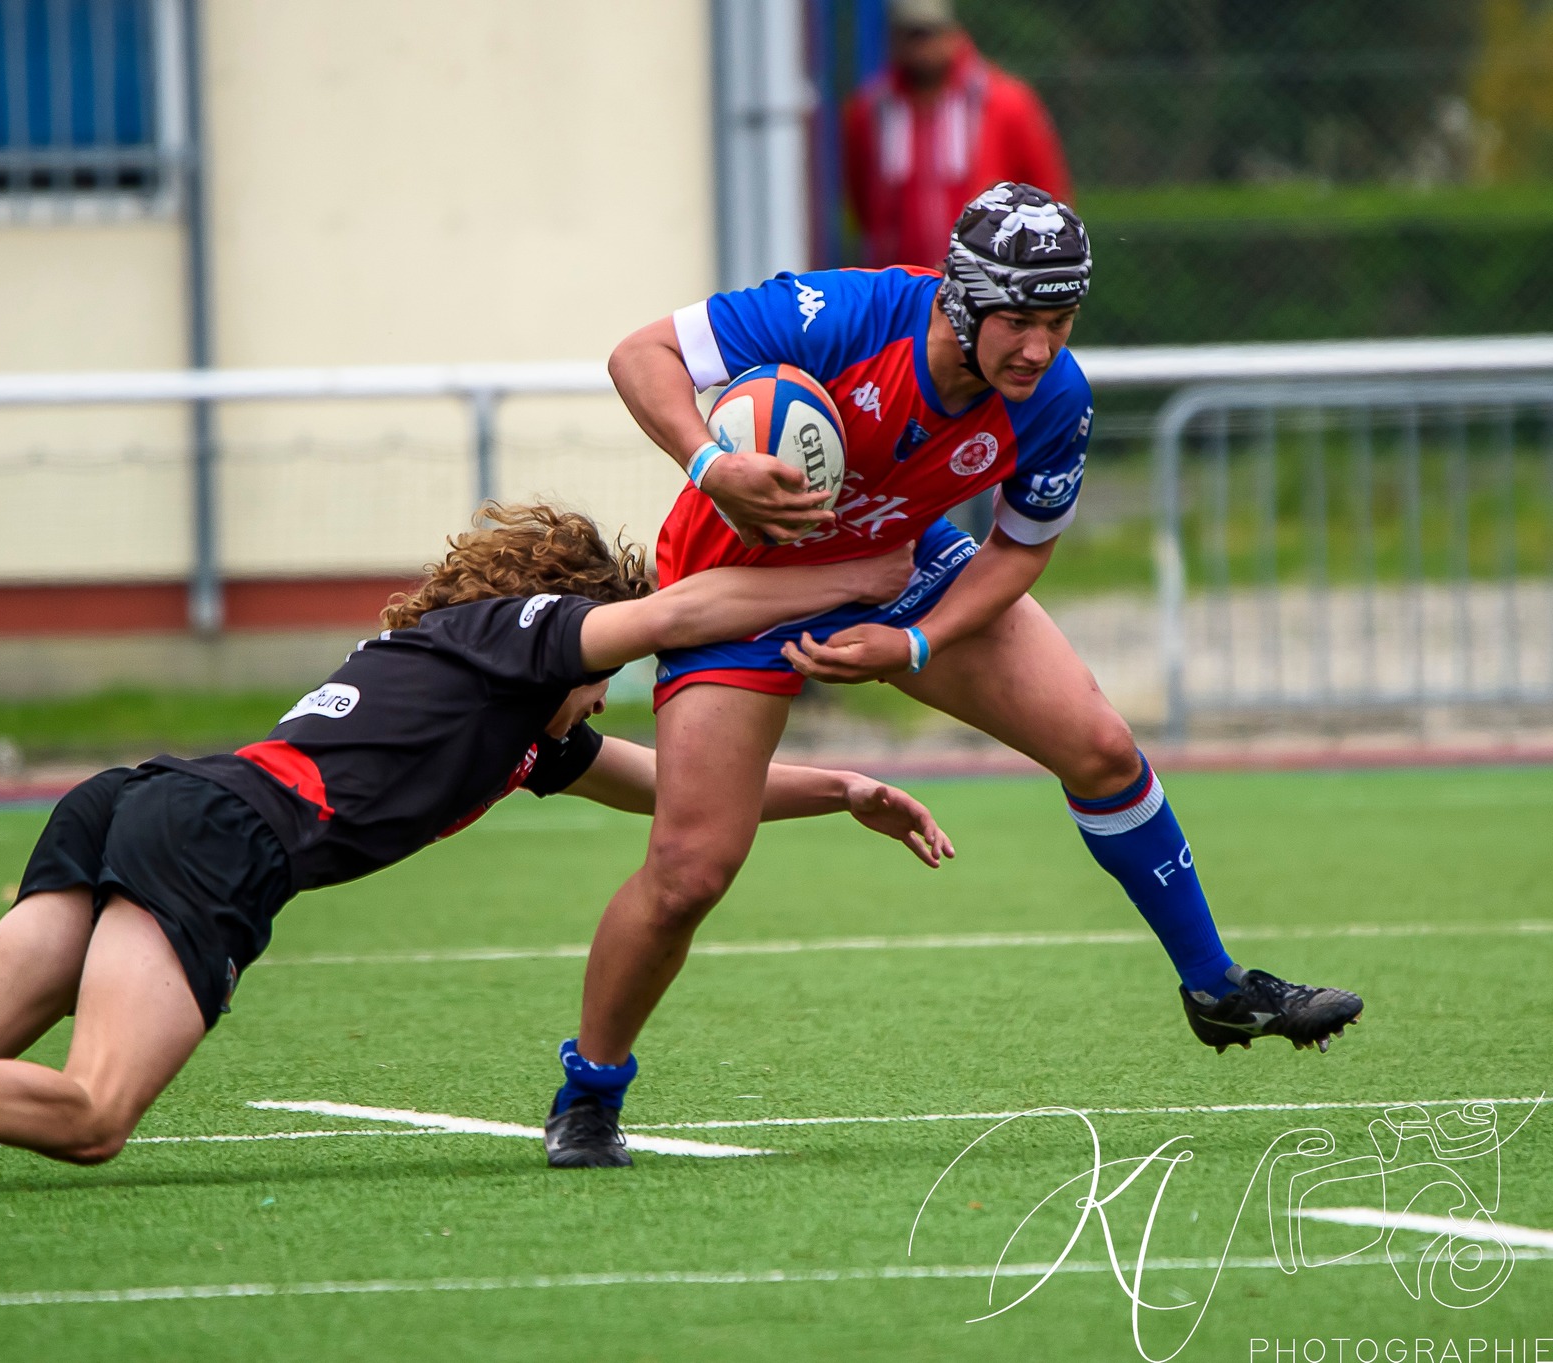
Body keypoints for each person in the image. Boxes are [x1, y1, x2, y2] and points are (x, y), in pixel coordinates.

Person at [0, 504, 951, 1200]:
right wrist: (863, 576)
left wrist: (845, 786)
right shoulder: (517, 639)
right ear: (569, 619)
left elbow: (668, 791)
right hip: (219, 837)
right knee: (92, 1116)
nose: (602, 697)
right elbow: (680, 613)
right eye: (600, 673)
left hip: (141, 799)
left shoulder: (502, 717)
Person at [540, 183, 1362, 1169]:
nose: (1039, 348)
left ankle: (1214, 986)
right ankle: (589, 1092)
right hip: (734, 591)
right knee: (689, 873)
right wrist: (711, 464)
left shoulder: (1055, 399)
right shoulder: (843, 315)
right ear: (960, 300)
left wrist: (918, 643)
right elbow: (640, 355)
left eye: (1060, 322)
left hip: (897, 566)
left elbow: (1018, 550)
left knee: (1101, 748)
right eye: (1018, 321)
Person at [840, 0, 1073, 270]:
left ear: (953, 35)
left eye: (928, 34)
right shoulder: (871, 110)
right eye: (910, 36)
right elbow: (862, 199)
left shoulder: (1005, 102)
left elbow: (1049, 190)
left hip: (990, 278)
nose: (921, 48)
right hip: (901, 281)